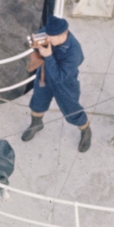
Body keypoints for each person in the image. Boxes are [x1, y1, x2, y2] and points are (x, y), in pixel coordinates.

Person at [21, 16, 91, 152]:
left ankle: (86, 130)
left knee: (72, 111)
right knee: (38, 102)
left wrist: (48, 56)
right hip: (44, 76)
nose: (46, 37)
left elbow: (60, 76)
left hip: (65, 83)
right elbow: (36, 38)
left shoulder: (74, 51)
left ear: (62, 35)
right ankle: (36, 124)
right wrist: (35, 46)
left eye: (50, 36)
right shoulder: (48, 33)